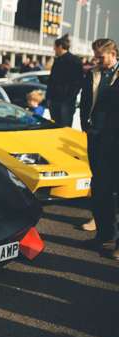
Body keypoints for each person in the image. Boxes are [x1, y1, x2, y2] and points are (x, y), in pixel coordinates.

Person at [79, 38, 119, 260]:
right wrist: (85, 124)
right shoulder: (93, 74)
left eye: (100, 57)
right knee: (100, 188)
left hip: (115, 140)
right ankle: (104, 236)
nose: (97, 60)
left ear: (113, 54)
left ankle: (116, 241)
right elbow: (86, 101)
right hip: (96, 138)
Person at [46, 35, 84, 127]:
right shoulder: (58, 60)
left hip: (65, 101)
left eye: (54, 47)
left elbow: (78, 82)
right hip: (57, 100)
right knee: (57, 126)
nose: (53, 49)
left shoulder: (74, 61)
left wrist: (70, 97)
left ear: (60, 47)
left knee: (64, 127)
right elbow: (51, 80)